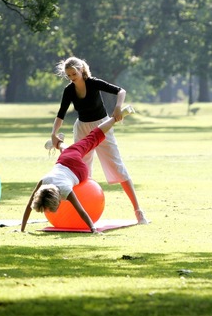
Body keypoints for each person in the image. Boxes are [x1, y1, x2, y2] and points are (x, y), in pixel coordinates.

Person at [50, 56, 148, 225]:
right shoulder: (69, 90)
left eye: (74, 73)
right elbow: (61, 113)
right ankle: (83, 215)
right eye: (69, 75)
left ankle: (138, 212)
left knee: (117, 166)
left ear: (81, 69)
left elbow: (121, 91)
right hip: (81, 128)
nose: (72, 77)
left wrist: (117, 108)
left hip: (103, 126)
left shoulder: (93, 83)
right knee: (82, 171)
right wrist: (54, 133)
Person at [21, 113, 123, 233]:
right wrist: (21, 229)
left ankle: (57, 143)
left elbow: (81, 211)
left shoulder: (65, 190)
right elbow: (29, 205)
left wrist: (93, 229)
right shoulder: (44, 180)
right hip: (66, 158)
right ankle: (58, 143)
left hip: (80, 171)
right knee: (91, 138)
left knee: (79, 145)